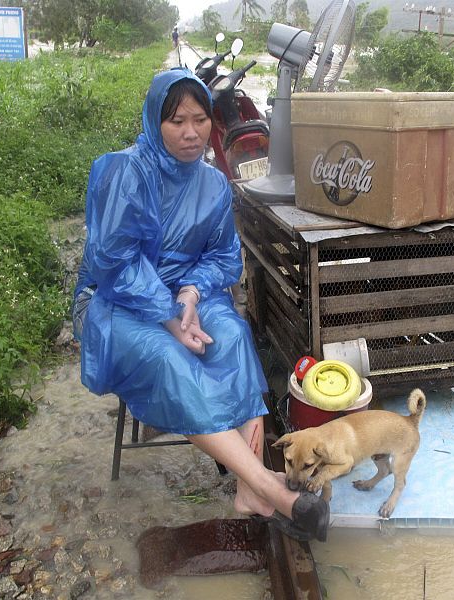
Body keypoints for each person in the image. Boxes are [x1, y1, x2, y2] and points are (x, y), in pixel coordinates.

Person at [72, 68, 328, 542]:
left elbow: (224, 256)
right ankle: (264, 484)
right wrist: (171, 317)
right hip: (115, 300)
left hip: (186, 293)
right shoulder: (124, 172)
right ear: (155, 121)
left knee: (231, 335)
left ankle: (249, 490)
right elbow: (112, 261)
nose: (191, 133)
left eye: (200, 119)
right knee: (171, 357)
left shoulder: (212, 183)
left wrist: (190, 293)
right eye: (177, 121)